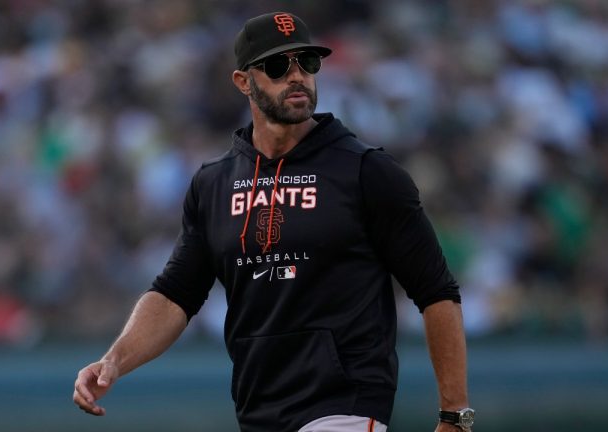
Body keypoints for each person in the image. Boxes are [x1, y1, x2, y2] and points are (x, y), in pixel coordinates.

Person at [73, 11, 474, 432]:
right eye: (279, 66)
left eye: (307, 62)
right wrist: (112, 361)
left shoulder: (367, 172)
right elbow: (175, 295)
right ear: (243, 81)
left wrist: (455, 414)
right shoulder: (214, 184)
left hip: (346, 405)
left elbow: (436, 291)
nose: (297, 76)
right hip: (258, 408)